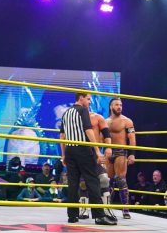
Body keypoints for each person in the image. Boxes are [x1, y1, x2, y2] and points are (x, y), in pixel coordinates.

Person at [59, 92, 115, 225]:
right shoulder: (83, 110)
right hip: (83, 149)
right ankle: (99, 216)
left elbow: (62, 136)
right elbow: (88, 130)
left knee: (73, 183)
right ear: (81, 98)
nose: (90, 102)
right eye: (88, 99)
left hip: (70, 150)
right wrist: (97, 150)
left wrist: (64, 154)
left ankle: (72, 216)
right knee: (92, 181)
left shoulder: (66, 113)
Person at [106, 97, 137, 219]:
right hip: (108, 152)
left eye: (121, 105)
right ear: (111, 107)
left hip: (121, 152)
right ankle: (107, 207)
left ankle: (125, 209)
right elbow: (101, 138)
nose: (119, 107)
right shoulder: (105, 121)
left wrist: (132, 153)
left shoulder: (127, 121)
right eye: (117, 105)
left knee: (121, 179)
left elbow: (132, 138)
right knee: (108, 181)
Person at [89, 110, 116, 222]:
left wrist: (108, 147)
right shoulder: (75, 117)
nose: (88, 101)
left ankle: (106, 209)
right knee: (83, 182)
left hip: (95, 153)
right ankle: (83, 209)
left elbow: (106, 134)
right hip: (80, 152)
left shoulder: (97, 117)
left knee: (104, 179)